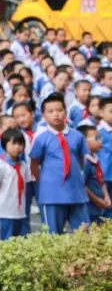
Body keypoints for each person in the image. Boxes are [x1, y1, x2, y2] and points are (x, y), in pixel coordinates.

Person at [29, 93, 90, 234]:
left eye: (59, 110)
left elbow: (81, 160)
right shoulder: (41, 139)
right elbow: (34, 164)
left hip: (76, 192)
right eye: (50, 111)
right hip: (52, 193)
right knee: (53, 235)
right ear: (44, 116)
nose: (56, 114)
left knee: (84, 234)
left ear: (66, 113)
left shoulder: (77, 136)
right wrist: (43, 183)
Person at [0, 128, 29, 240]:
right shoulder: (0, 166)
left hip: (18, 213)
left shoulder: (24, 166)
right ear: (4, 145)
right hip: (2, 213)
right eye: (13, 143)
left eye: (20, 144)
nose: (17, 147)